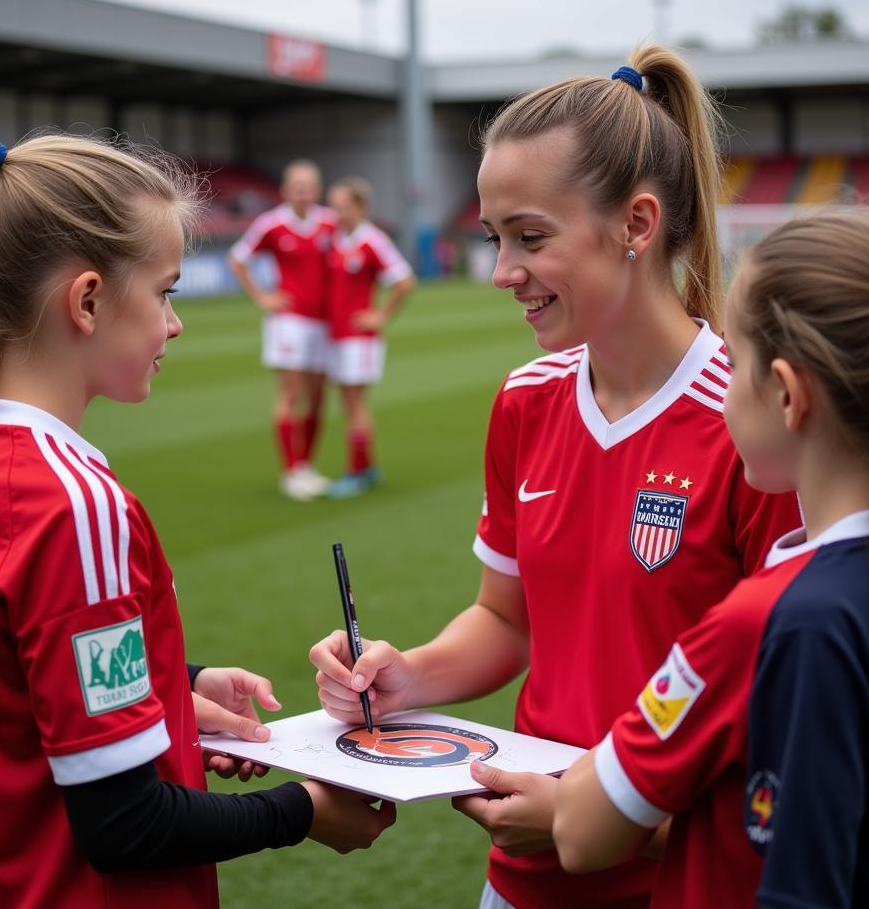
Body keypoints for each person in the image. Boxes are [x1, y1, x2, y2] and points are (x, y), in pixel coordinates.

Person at [310, 48, 801, 909]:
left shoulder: (754, 426)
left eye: (530, 238)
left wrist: (601, 816)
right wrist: (405, 676)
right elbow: (509, 617)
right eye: (496, 237)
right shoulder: (527, 401)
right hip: (527, 876)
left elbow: (787, 722)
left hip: (683, 879)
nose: (502, 271)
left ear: (637, 225)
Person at [0, 132, 395, 909]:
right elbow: (124, 827)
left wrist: (171, 691)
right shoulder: (73, 505)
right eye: (166, 293)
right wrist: (304, 811)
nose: (174, 324)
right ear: (87, 301)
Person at [552, 209, 869, 908]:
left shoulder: (766, 616)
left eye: (734, 363)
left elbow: (580, 832)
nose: (722, 384)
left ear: (789, 394)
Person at [228, 160, 334, 501]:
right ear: (286, 190)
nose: (303, 191)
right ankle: (291, 471)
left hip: (324, 321)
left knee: (317, 397)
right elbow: (238, 258)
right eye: (297, 185)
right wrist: (262, 297)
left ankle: (306, 465)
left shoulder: (329, 223)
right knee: (291, 394)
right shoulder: (271, 224)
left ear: (317, 190)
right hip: (288, 321)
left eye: (309, 185)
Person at [324, 177, 416, 498]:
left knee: (355, 403)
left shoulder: (372, 240)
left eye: (344, 207)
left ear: (361, 207)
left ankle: (358, 472)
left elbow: (404, 281)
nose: (337, 214)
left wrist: (380, 315)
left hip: (359, 338)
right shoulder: (335, 239)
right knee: (351, 403)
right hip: (337, 335)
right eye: (334, 207)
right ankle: (368, 467)